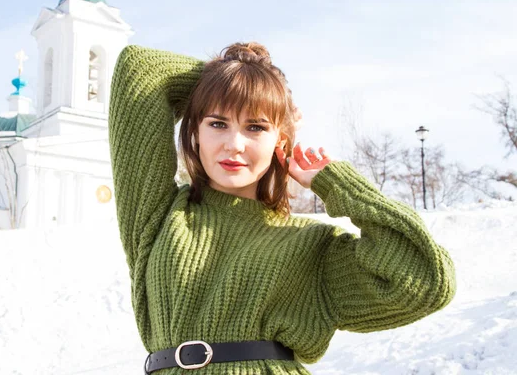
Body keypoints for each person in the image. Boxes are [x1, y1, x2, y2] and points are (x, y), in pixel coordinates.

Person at [108, 42, 456, 374]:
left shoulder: (312, 247)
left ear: (281, 140)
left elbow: (426, 282)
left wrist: (337, 183)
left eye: (256, 127)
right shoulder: (160, 213)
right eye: (217, 123)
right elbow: (140, 69)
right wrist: (233, 77)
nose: (234, 144)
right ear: (196, 134)